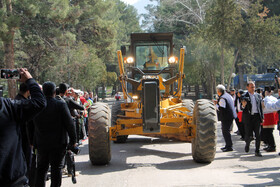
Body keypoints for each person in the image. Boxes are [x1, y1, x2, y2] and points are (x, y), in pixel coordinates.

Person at [0, 68, 46, 187]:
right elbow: (40, 102)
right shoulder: (8, 107)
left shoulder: (12, 104)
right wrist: (30, 80)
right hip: (14, 179)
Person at [33, 82, 77, 187]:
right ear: (54, 92)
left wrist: (32, 142)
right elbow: (69, 124)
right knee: (56, 170)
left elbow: (31, 125)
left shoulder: (38, 105)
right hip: (58, 144)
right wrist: (73, 141)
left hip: (42, 144)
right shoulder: (60, 104)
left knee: (41, 170)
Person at [14, 83, 33, 183]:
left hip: (16, 139)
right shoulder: (26, 104)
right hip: (25, 139)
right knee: (27, 165)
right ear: (28, 91)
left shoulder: (14, 101)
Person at [241, 81, 264, 157]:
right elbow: (242, 107)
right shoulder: (244, 96)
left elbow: (260, 107)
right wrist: (243, 106)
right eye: (251, 87)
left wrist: (262, 117)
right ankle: (247, 144)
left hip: (256, 117)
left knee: (258, 134)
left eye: (254, 87)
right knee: (248, 134)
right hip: (248, 118)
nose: (253, 88)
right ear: (247, 87)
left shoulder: (258, 96)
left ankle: (257, 151)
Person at [215, 84, 237, 152]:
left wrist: (215, 105)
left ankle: (229, 146)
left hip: (226, 117)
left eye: (217, 91)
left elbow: (221, 108)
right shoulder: (228, 95)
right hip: (231, 116)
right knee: (226, 131)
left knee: (225, 131)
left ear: (219, 91)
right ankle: (227, 145)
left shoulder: (222, 98)